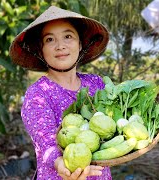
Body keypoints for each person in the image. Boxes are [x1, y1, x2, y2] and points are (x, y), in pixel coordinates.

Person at [9, 6, 112, 180]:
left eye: (68, 36)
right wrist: (61, 165)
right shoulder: (38, 94)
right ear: (41, 49)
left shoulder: (96, 84)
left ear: (80, 44)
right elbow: (46, 144)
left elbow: (112, 126)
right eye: (50, 40)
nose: (60, 46)